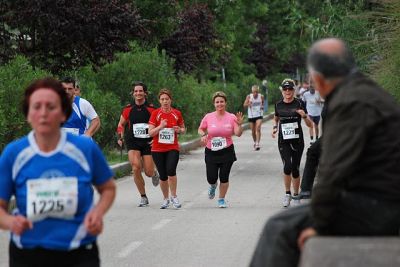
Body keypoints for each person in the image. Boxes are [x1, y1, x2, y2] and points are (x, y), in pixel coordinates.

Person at [250, 38, 400, 267]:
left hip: (379, 207)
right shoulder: (368, 91)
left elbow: (332, 171)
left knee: (279, 228)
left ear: (318, 79)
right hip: (382, 199)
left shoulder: (349, 102)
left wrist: (318, 223)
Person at [0, 77, 116, 267]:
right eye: (36, 107)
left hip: (78, 249)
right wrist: (10, 222)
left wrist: (97, 213)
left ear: (63, 113)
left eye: (51, 107)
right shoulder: (14, 154)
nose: (44, 113)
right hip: (28, 251)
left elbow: (108, 188)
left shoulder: (85, 149)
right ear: (28, 114)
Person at [116, 81, 160, 207]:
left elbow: (159, 125)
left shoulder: (152, 109)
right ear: (133, 93)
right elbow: (121, 125)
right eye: (136, 91)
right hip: (133, 141)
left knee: (148, 172)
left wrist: (156, 138)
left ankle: (154, 173)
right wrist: (120, 137)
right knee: (135, 167)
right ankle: (143, 196)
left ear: (145, 93)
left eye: (140, 91)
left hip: (147, 142)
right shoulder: (128, 109)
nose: (138, 93)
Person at [198, 91, 244, 208]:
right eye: (217, 102)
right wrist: (203, 135)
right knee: (211, 178)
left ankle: (221, 199)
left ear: (225, 103)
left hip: (227, 150)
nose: (219, 104)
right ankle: (213, 186)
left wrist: (239, 124)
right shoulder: (208, 116)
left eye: (222, 102)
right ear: (214, 104)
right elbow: (201, 129)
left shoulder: (232, 117)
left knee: (224, 177)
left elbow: (238, 134)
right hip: (211, 151)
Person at [271, 78, 312, 207]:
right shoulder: (278, 105)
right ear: (282, 91)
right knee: (287, 166)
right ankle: (287, 194)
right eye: (285, 89)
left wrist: (304, 116)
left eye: (290, 89)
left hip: (297, 141)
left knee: (295, 168)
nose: (287, 91)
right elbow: (276, 118)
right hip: (283, 141)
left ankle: (296, 195)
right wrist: (274, 128)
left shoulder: (300, 103)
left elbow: (310, 124)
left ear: (294, 90)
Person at [148, 89, 185, 209]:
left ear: (170, 100)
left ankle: (174, 196)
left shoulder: (177, 113)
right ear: (159, 101)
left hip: (172, 147)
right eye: (162, 99)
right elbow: (150, 133)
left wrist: (179, 130)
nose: (165, 101)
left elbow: (183, 129)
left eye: (167, 99)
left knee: (171, 170)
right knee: (163, 175)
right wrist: (160, 126)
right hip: (157, 149)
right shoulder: (155, 114)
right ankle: (165, 199)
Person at [243, 85, 264, 150]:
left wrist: (262, 106)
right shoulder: (249, 96)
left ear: (258, 91)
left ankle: (257, 143)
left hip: (259, 114)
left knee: (258, 128)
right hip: (251, 115)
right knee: (253, 131)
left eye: (256, 92)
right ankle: (255, 142)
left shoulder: (261, 96)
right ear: (252, 92)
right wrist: (248, 104)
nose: (255, 93)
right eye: (254, 92)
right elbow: (244, 105)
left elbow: (262, 103)